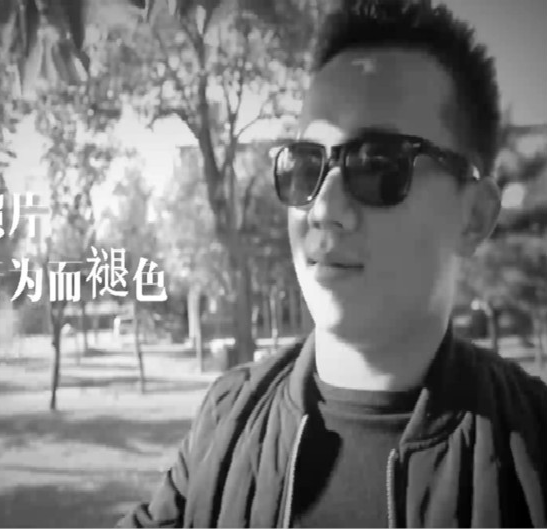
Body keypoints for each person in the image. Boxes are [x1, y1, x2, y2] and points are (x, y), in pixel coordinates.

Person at [117, 0, 547, 526]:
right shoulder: (226, 421)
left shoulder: (533, 452)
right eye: (305, 165)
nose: (323, 208)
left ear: (475, 216)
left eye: (377, 164)